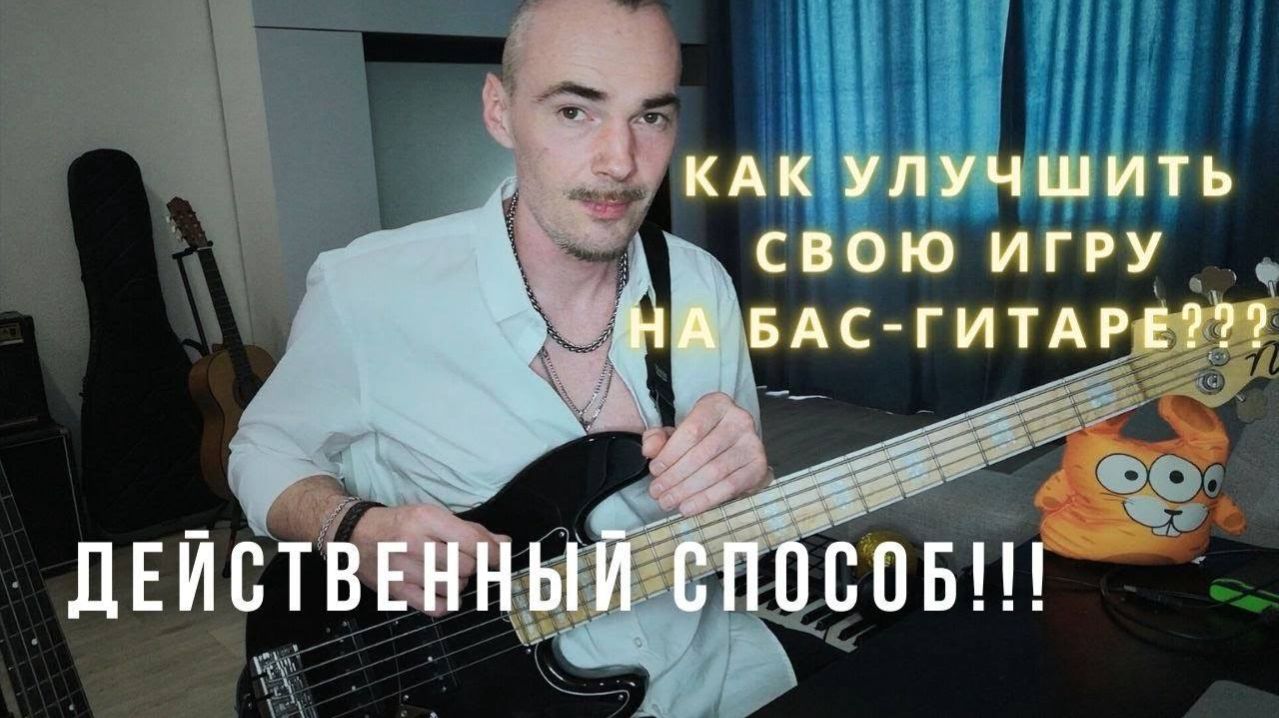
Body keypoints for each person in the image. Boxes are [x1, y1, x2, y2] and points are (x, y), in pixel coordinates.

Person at [230, 1, 834, 715]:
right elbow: (262, 449)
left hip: (714, 671)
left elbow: (737, 530)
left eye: (651, 117)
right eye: (575, 111)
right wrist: (353, 529)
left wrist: (751, 484)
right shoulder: (368, 289)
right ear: (500, 111)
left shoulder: (701, 286)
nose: (620, 162)